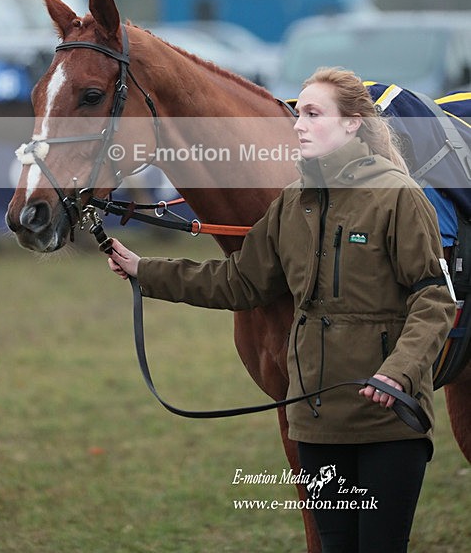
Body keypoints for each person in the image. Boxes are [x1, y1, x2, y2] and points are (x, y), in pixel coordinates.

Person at [107, 67, 456, 553]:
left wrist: (398, 373)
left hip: (386, 422)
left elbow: (434, 296)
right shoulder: (292, 203)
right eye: (298, 113)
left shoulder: (398, 197)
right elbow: (239, 282)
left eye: (314, 114)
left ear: (353, 122)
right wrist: (145, 270)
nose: (298, 125)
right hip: (315, 425)